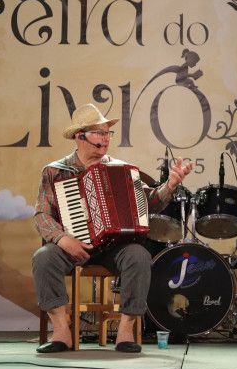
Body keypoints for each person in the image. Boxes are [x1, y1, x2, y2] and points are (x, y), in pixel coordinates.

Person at [32, 103, 193, 353]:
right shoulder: (55, 171)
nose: (105, 139)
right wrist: (63, 239)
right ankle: (62, 331)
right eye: (98, 133)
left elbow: (149, 203)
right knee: (43, 258)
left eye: (107, 133)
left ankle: (125, 331)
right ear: (79, 136)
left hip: (112, 248)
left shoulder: (120, 168)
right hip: (71, 246)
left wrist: (170, 184)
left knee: (139, 255)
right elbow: (42, 214)